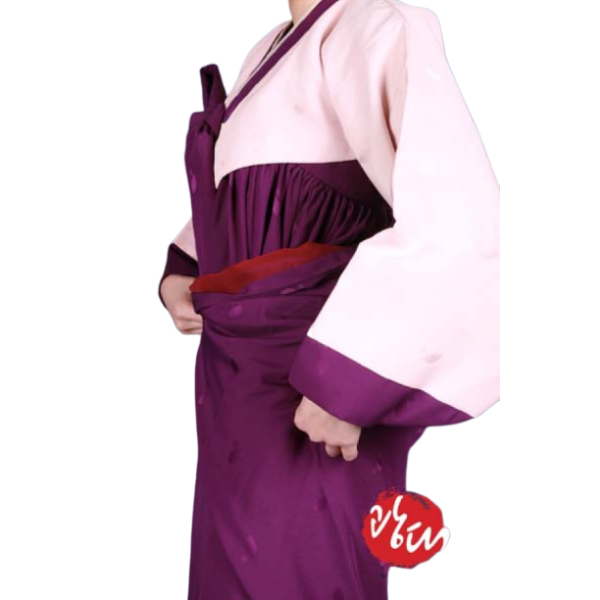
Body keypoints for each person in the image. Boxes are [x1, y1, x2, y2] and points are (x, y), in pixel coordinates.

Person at [157, 0, 500, 598]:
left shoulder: (384, 25)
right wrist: (185, 267)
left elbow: (457, 216)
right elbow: (250, 198)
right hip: (231, 400)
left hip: (313, 400)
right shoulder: (266, 47)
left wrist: (350, 383)